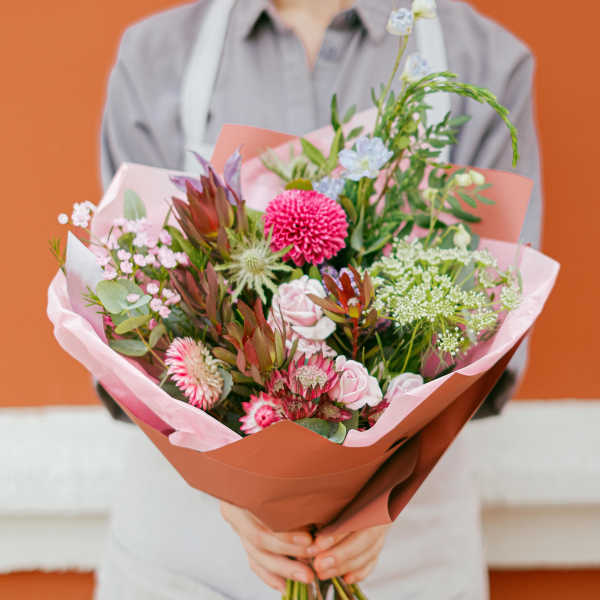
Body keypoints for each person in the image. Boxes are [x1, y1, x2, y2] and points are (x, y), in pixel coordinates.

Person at [95, 1, 542, 598]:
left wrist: (379, 496)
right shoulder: (155, 56)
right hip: (189, 548)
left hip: (406, 548)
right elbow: (128, 306)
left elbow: (494, 315)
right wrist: (236, 490)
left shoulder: (485, 60)